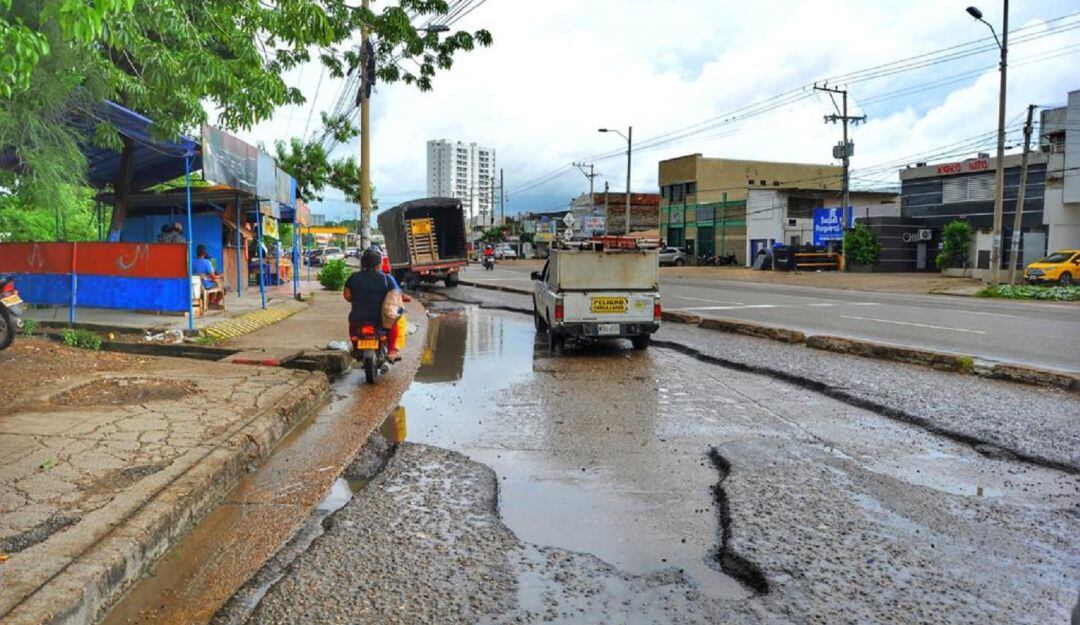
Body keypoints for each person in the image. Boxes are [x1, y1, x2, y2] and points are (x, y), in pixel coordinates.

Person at [344, 248, 403, 360]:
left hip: (358, 317)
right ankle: (391, 351)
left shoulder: (353, 277)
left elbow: (346, 295)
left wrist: (356, 300)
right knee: (393, 323)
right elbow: (395, 298)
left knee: (352, 325)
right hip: (380, 319)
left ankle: (356, 347)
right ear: (379, 264)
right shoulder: (387, 279)